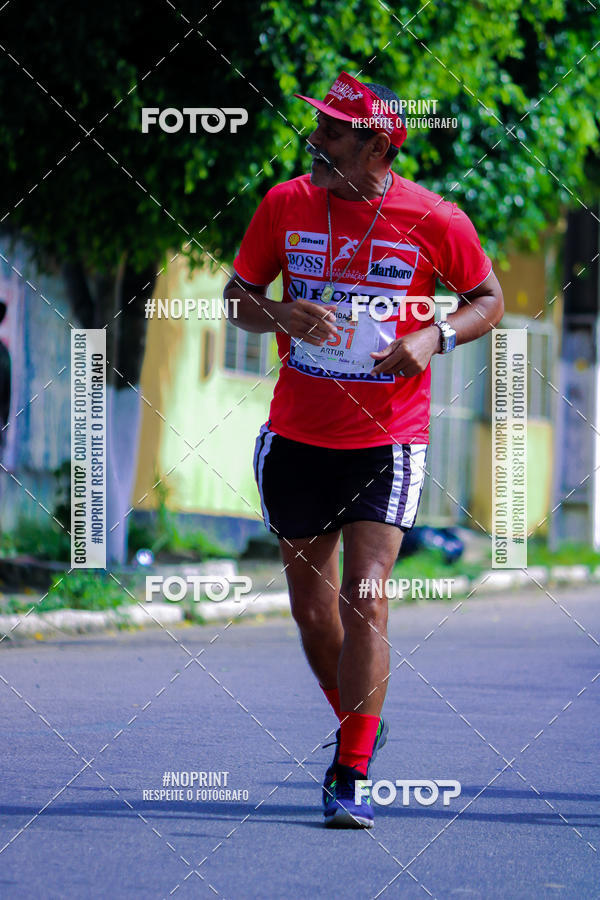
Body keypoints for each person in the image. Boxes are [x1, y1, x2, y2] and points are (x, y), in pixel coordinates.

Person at [223, 71, 504, 828]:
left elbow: (489, 300)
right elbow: (236, 299)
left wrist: (433, 334)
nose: (314, 142)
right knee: (316, 615)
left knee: (367, 596)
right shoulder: (284, 204)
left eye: (332, 133)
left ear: (377, 143)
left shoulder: (433, 217)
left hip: (386, 438)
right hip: (296, 437)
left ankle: (349, 772)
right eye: (316, 129)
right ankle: (362, 724)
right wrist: (279, 310)